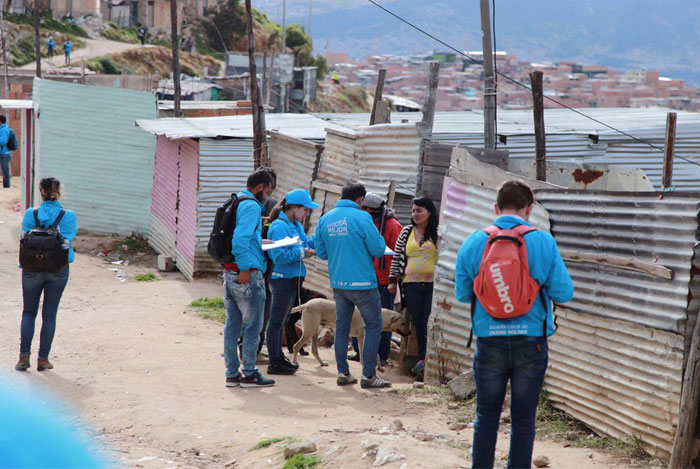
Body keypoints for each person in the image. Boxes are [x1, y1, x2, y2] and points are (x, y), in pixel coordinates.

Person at [455, 180, 573, 469]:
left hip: (489, 341)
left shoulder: (473, 242)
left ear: (496, 208)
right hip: (531, 342)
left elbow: (461, 294)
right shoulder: (543, 241)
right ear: (529, 209)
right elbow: (564, 293)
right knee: (523, 419)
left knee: (486, 417)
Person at [315, 182, 390, 389]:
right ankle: (368, 375)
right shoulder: (363, 217)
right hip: (364, 283)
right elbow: (377, 249)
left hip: (339, 282)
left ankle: (343, 373)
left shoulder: (325, 219)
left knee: (342, 327)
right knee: (374, 326)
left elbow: (321, 253)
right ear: (360, 200)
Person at [15, 177, 78, 372]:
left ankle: (24, 357)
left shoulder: (30, 214)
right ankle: (43, 359)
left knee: (28, 312)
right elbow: (69, 238)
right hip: (58, 269)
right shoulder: (68, 215)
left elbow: (25, 235)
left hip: (31, 269)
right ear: (59, 191)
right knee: (49, 315)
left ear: (40, 191)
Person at [223, 170, 276, 388]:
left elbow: (244, 237)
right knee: (253, 326)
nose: (270, 195)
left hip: (229, 272)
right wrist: (245, 268)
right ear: (261, 187)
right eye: (269, 190)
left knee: (232, 326)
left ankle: (232, 373)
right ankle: (249, 373)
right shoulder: (252, 206)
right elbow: (240, 239)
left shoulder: (236, 201)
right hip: (247, 274)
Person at [265, 189, 317, 375]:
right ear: (293, 207)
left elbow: (305, 244)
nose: (307, 213)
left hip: (292, 279)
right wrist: (303, 253)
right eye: (305, 209)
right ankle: (274, 361)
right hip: (282, 280)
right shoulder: (279, 227)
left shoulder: (295, 226)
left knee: (282, 320)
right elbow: (278, 256)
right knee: (276, 322)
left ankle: (278, 358)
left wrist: (317, 240)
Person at [388, 196, 439, 375]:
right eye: (413, 211)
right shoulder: (407, 231)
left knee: (428, 321)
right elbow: (397, 257)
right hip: (410, 285)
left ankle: (427, 359)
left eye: (419, 211)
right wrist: (392, 281)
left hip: (432, 285)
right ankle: (421, 358)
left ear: (429, 212)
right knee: (417, 322)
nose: (415, 214)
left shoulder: (438, 233)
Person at [361, 192, 402, 367]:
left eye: (368, 210)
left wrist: (394, 279)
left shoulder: (393, 225)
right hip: (367, 277)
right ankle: (361, 353)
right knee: (363, 316)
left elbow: (399, 254)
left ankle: (383, 355)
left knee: (384, 319)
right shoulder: (367, 222)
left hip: (385, 280)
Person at [0, 115, 14, 188]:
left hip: (4, 153)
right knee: (5, 170)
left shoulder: (4, 129)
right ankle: (6, 185)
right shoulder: (4, 128)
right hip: (5, 152)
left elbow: (3, 141)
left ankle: (7, 186)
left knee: (5, 170)